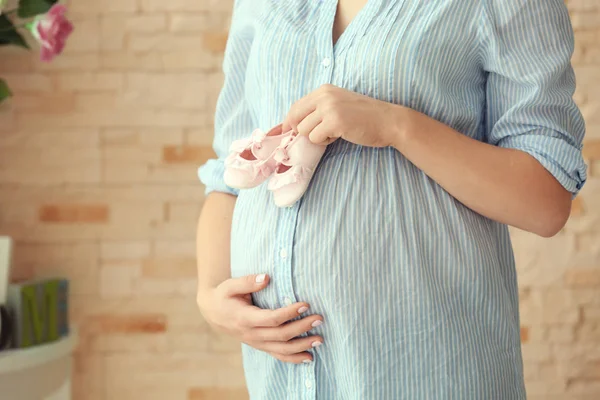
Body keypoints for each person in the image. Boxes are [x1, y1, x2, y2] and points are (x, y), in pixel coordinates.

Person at [196, 0, 587, 398]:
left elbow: (546, 202)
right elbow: (228, 173)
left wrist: (396, 125)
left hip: (431, 371)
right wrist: (211, 295)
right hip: (282, 379)